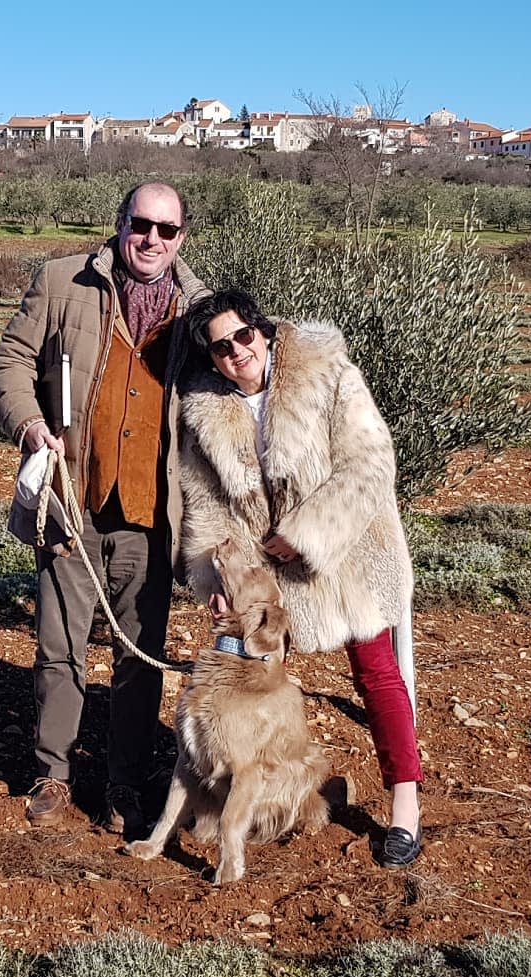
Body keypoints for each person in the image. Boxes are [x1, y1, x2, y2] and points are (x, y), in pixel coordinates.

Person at [174, 288, 424, 868]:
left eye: (243, 336)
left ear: (262, 331)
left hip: (347, 555)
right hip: (264, 571)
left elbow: (370, 463)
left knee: (377, 675)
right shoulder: (205, 410)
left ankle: (405, 807)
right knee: (245, 678)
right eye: (221, 347)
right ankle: (242, 797)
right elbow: (205, 505)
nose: (237, 352)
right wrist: (216, 580)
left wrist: (306, 533)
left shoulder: (327, 372)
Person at [0, 182, 210, 834]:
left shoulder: (198, 311)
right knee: (59, 649)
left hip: (151, 516)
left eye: (166, 230)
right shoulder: (63, 281)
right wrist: (30, 424)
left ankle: (125, 784)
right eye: (141, 224)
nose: (151, 240)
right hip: (73, 502)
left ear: (181, 238)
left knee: (139, 660)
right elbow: (12, 358)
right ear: (120, 223)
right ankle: (53, 773)